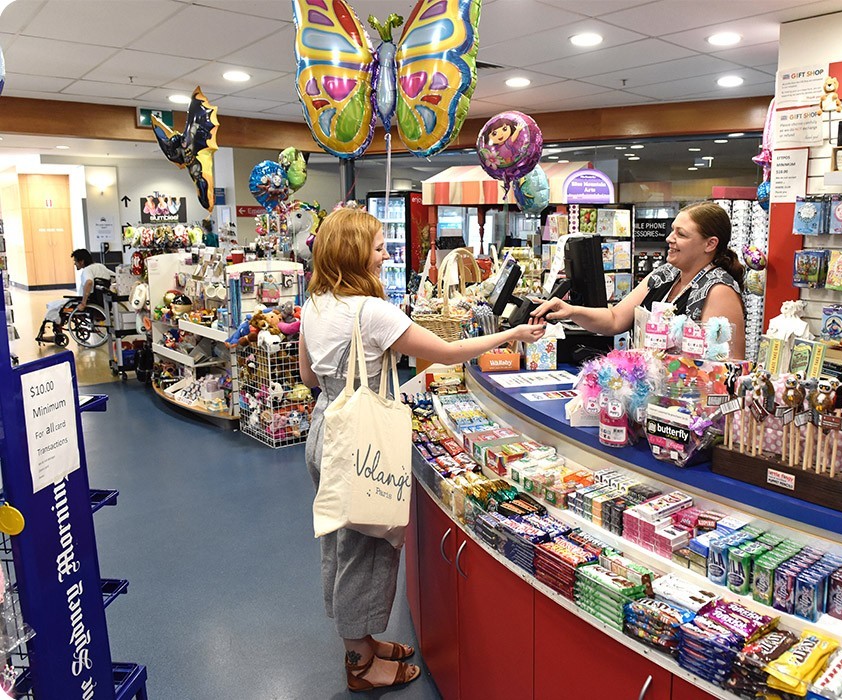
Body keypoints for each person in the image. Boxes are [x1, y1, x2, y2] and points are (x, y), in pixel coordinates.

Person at [297, 206, 544, 692]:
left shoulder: (316, 304)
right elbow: (446, 352)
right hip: (365, 439)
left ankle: (363, 641)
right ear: (353, 252)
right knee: (369, 546)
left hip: (326, 428)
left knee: (340, 541)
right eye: (376, 245)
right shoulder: (371, 311)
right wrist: (514, 333)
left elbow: (308, 377)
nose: (385, 251)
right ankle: (360, 664)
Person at [532, 201, 747, 359]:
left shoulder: (719, 290)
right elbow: (615, 318)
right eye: (672, 231)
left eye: (681, 234)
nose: (669, 239)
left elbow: (726, 367)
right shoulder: (665, 275)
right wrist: (570, 311)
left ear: (710, 244)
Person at [42, 249, 113, 330]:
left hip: (88, 301)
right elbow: (114, 276)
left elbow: (89, 282)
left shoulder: (87, 270)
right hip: (103, 301)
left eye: (75, 261)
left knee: (54, 305)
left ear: (81, 261)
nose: (74, 264)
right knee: (57, 305)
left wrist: (83, 303)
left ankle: (58, 328)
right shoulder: (101, 266)